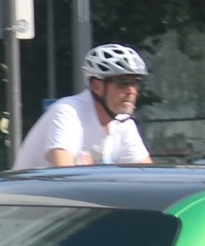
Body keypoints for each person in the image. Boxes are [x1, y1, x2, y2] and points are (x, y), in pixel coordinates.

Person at [19, 44, 153, 168]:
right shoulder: (67, 113)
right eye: (122, 83)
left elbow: (146, 176)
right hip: (26, 193)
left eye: (135, 83)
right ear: (97, 86)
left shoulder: (123, 121)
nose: (131, 91)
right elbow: (64, 173)